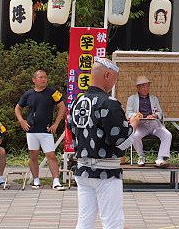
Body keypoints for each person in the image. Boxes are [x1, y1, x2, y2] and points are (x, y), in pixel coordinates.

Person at [68, 57, 142, 229]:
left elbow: (72, 132)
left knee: (84, 220)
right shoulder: (109, 103)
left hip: (83, 168)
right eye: (115, 79)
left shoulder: (77, 102)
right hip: (106, 171)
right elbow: (120, 140)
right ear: (107, 75)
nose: (114, 83)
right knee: (112, 221)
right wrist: (133, 125)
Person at [14, 68, 67, 190]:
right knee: (33, 155)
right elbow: (17, 108)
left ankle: (56, 181)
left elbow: (62, 108)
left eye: (45, 77)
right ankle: (36, 180)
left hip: (46, 130)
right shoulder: (28, 94)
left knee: (51, 155)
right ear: (34, 80)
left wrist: (56, 124)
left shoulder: (53, 92)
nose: (44, 79)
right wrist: (21, 121)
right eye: (41, 77)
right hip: (31, 130)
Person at [125, 76, 173, 168]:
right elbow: (128, 113)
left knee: (167, 134)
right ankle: (141, 156)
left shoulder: (154, 98)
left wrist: (155, 115)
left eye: (147, 86)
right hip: (140, 125)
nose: (146, 88)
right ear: (138, 87)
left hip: (154, 124)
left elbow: (160, 112)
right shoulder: (132, 98)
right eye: (143, 86)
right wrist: (136, 115)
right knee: (134, 136)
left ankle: (160, 159)